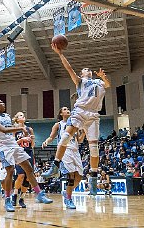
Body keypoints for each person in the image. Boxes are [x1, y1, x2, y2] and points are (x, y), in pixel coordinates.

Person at [42, 43, 111, 196]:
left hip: (93, 115)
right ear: (82, 73)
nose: (88, 70)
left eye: (89, 69)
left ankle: (93, 178)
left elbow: (107, 85)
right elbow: (69, 69)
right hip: (80, 111)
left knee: (94, 147)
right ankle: (55, 166)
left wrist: (104, 77)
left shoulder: (98, 82)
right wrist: (60, 54)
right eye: (85, 69)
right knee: (66, 136)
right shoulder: (81, 81)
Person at [0, 99, 52, 212]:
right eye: (0, 103)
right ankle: (8, 200)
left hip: (13, 144)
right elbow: (3, 130)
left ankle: (39, 194)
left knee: (29, 168)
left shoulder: (7, 116)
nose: (3, 103)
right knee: (10, 171)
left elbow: (11, 132)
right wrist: (21, 128)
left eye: (3, 102)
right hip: (3, 147)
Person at [42, 107, 85, 209]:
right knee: (71, 175)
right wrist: (46, 142)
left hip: (75, 150)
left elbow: (79, 140)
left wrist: (83, 133)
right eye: (65, 109)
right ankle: (69, 199)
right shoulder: (58, 125)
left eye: (68, 109)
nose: (67, 110)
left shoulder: (75, 124)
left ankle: (66, 192)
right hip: (64, 150)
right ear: (61, 113)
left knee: (79, 177)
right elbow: (51, 137)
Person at [11, 111, 35, 208]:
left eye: (23, 115)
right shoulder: (15, 130)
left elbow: (33, 144)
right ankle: (15, 195)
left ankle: (22, 198)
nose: (22, 116)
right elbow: (12, 143)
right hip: (19, 152)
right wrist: (21, 140)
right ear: (17, 119)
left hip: (29, 152)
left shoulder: (30, 129)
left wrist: (31, 140)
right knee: (20, 175)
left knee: (28, 177)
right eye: (20, 115)